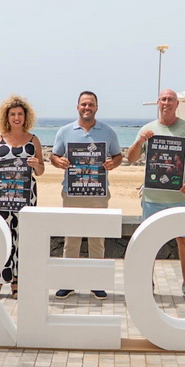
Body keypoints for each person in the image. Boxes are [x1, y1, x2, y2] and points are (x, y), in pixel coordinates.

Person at [126, 88, 185, 301]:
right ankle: (146, 282)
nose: (166, 103)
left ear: (177, 104)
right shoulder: (147, 129)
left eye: (171, 100)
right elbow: (131, 158)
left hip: (181, 198)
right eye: (163, 99)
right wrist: (140, 141)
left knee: (184, 239)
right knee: (148, 241)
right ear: (157, 103)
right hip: (153, 199)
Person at [48, 91, 123, 300]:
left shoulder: (108, 132)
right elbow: (54, 156)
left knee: (96, 238)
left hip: (98, 192)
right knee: (71, 239)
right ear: (77, 107)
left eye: (90, 104)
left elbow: (118, 156)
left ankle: (96, 283)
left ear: (96, 107)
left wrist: (112, 163)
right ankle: (68, 283)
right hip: (72, 192)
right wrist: (58, 161)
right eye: (83, 104)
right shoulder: (65, 131)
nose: (87, 108)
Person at [0, 94, 44, 298]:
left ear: (26, 116)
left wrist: (37, 165)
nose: (16, 117)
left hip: (26, 196)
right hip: (2, 196)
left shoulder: (33, 139)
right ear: (6, 117)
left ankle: (18, 280)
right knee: (3, 236)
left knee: (22, 238)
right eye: (12, 114)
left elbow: (41, 171)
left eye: (20, 114)